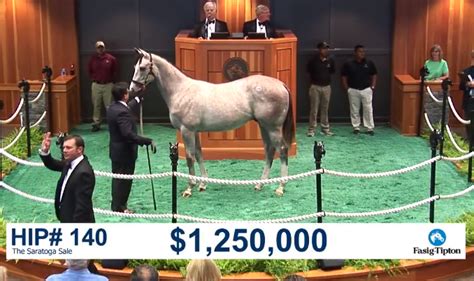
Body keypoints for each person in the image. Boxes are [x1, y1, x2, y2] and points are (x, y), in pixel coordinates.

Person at [107, 82, 154, 213]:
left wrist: (139, 98)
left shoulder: (113, 107)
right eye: (128, 92)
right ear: (125, 95)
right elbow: (128, 134)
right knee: (124, 180)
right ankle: (120, 207)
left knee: (117, 178)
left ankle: (116, 204)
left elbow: (127, 108)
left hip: (116, 151)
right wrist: (146, 141)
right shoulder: (122, 113)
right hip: (125, 153)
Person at [39, 133, 96, 222]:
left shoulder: (84, 173)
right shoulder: (70, 162)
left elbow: (82, 207)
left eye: (68, 148)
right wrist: (45, 151)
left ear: (79, 149)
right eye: (63, 147)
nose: (64, 150)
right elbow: (53, 164)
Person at [341, 44, 377, 135]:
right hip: (353, 89)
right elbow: (344, 76)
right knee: (354, 109)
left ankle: (369, 128)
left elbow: (374, 74)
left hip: (366, 89)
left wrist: (372, 86)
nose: (362, 53)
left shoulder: (369, 63)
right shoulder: (348, 64)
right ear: (355, 53)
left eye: (363, 52)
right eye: (360, 52)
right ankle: (356, 127)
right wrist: (346, 88)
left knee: (368, 109)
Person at [306, 41, 335, 137]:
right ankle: (311, 129)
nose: (325, 50)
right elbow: (308, 72)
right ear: (319, 49)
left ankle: (325, 129)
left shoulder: (330, 60)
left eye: (327, 48)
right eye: (323, 48)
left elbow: (332, 72)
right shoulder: (312, 60)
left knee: (325, 109)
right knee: (314, 109)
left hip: (327, 87)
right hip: (315, 87)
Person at [88, 40, 118, 132]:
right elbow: (89, 71)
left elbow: (115, 71)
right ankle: (96, 123)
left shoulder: (111, 59)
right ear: (96, 49)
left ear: (104, 48)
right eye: (98, 48)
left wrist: (111, 81)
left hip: (108, 85)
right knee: (96, 105)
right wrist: (94, 79)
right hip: (96, 85)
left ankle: (112, 123)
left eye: (102, 47)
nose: (100, 49)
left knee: (109, 106)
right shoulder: (92, 59)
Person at [459, 50, 474, 138]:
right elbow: (461, 87)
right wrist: (467, 84)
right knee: (469, 123)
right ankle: (470, 142)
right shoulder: (467, 71)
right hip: (469, 101)